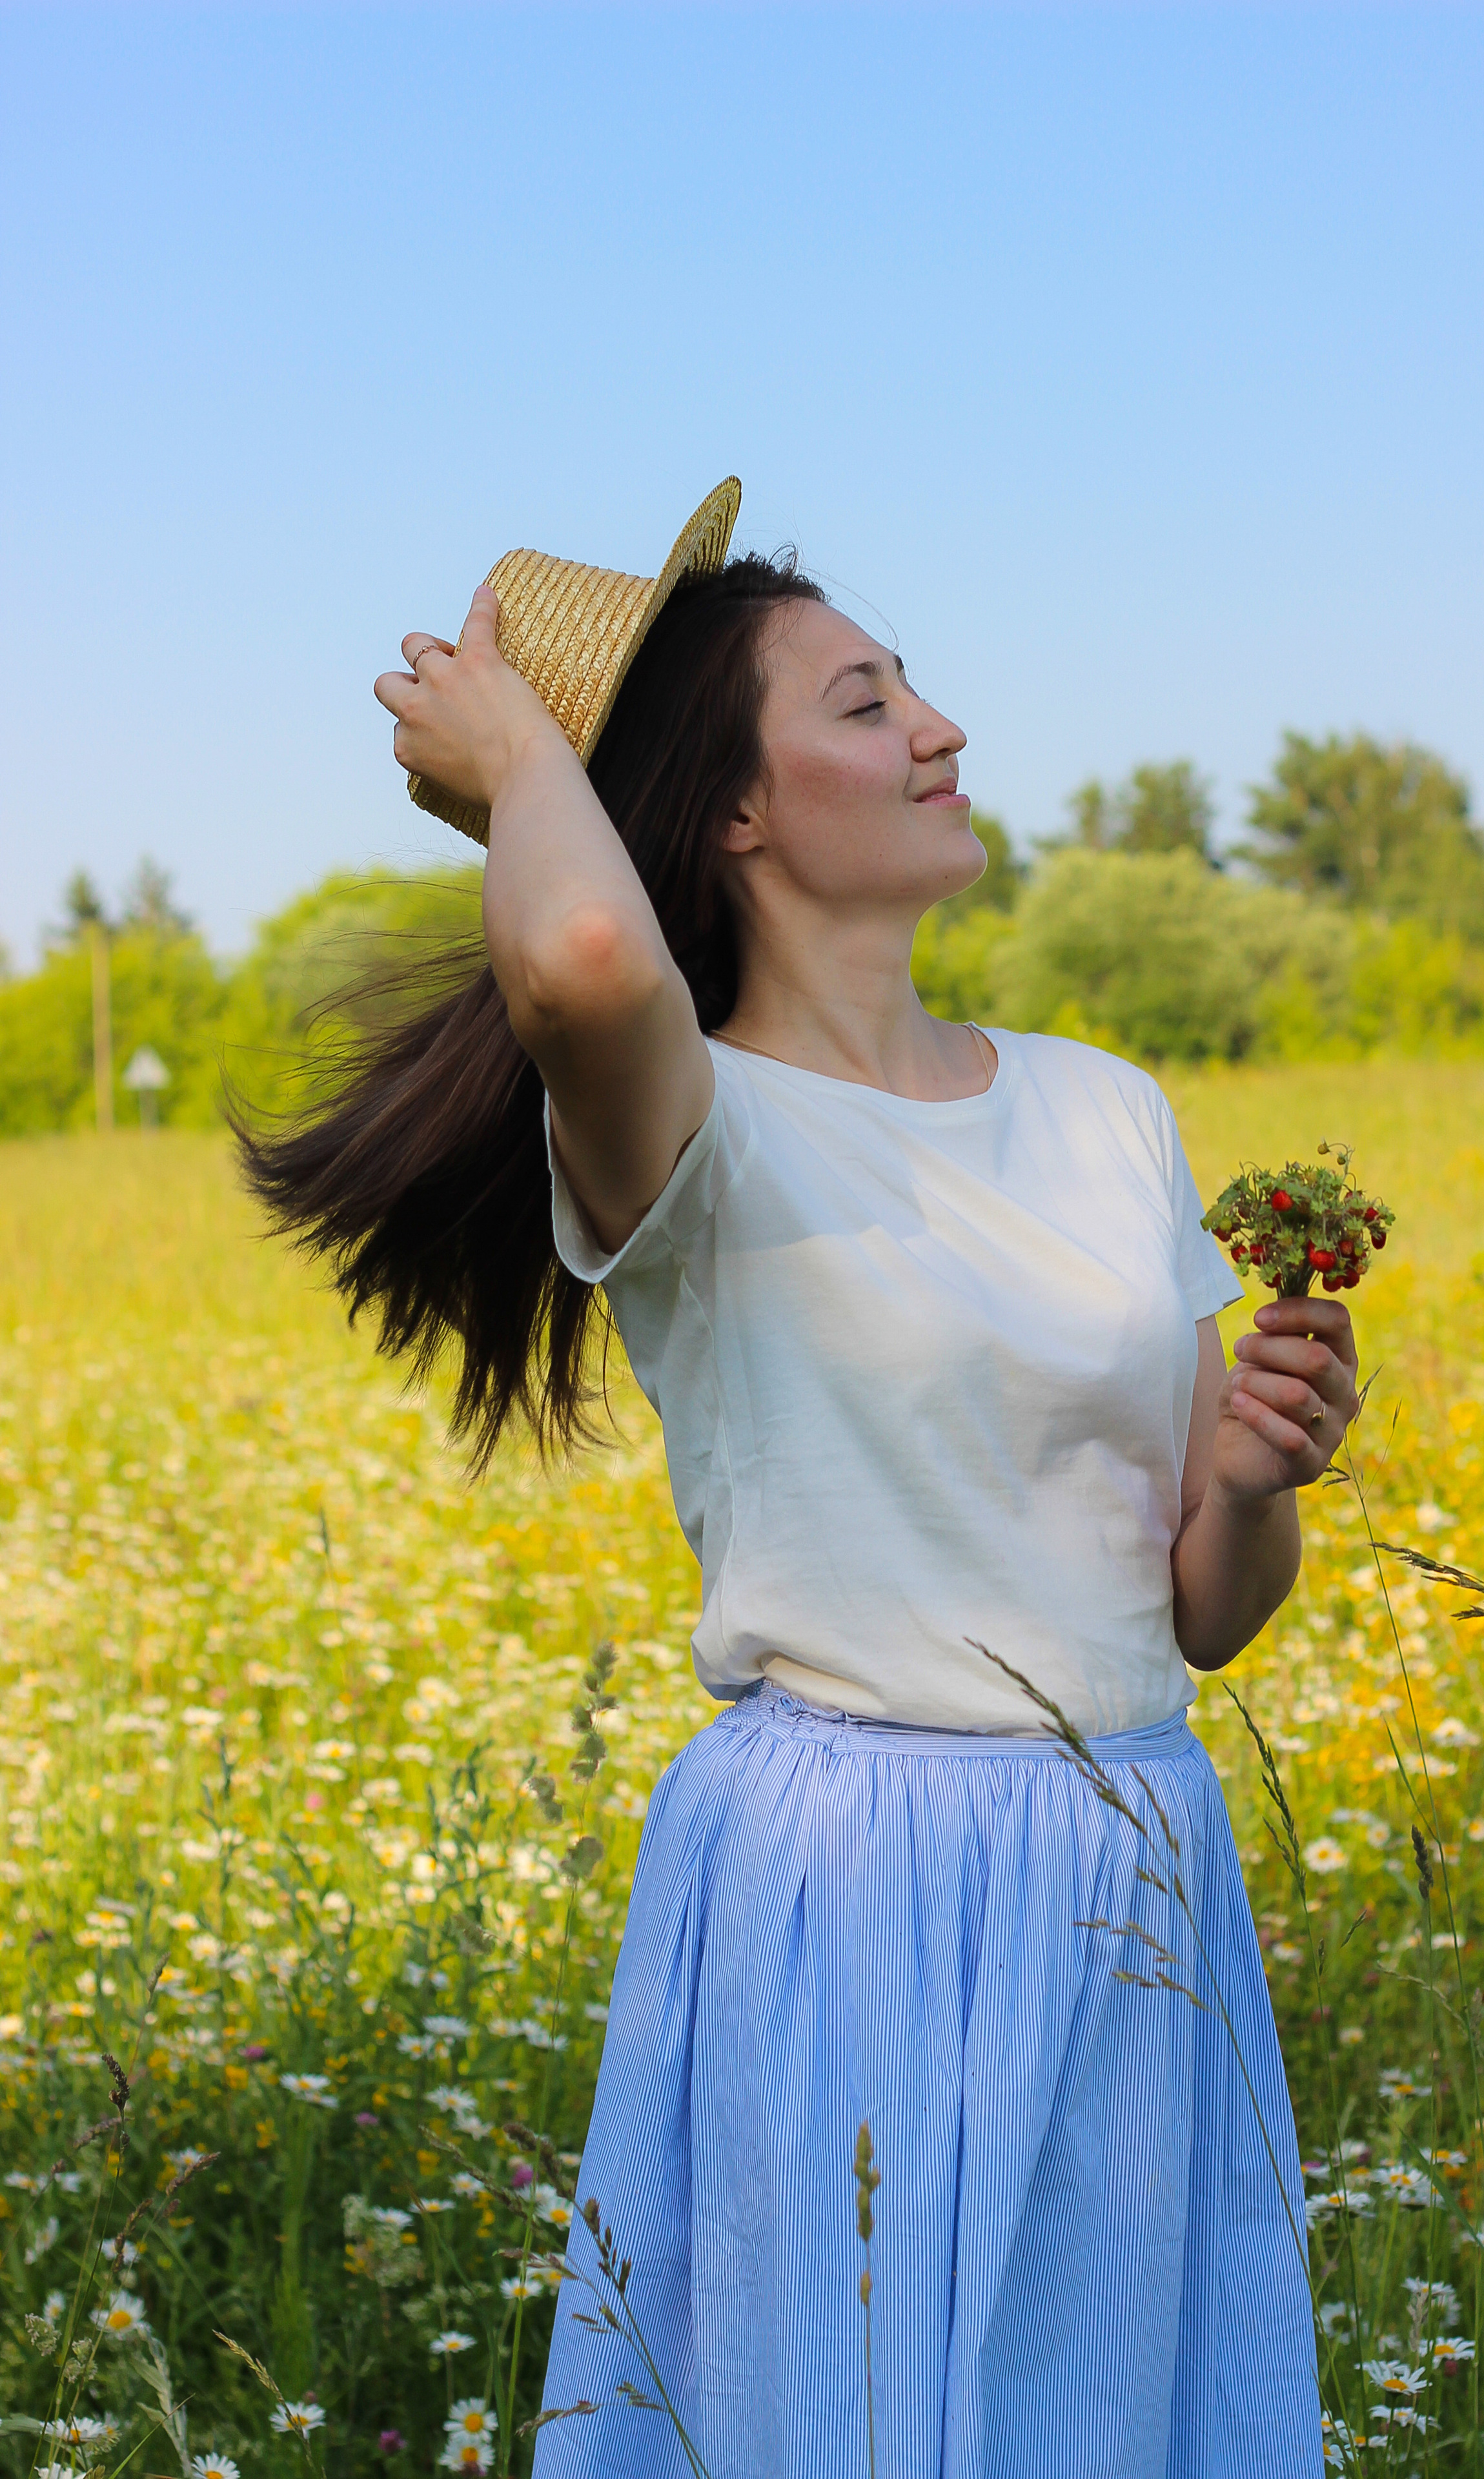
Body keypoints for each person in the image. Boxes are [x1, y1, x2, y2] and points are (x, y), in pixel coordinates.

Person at [246, 526, 1354, 2476]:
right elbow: (585, 951)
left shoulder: (1104, 1105)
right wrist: (525, 759)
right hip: (845, 1866)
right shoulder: (687, 1119)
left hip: (1136, 1865)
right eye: (867, 703)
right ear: (736, 810)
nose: (941, 730)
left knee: (1097, 2421)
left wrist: (1258, 1475)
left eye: (911, 687)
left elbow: (1203, 1603)